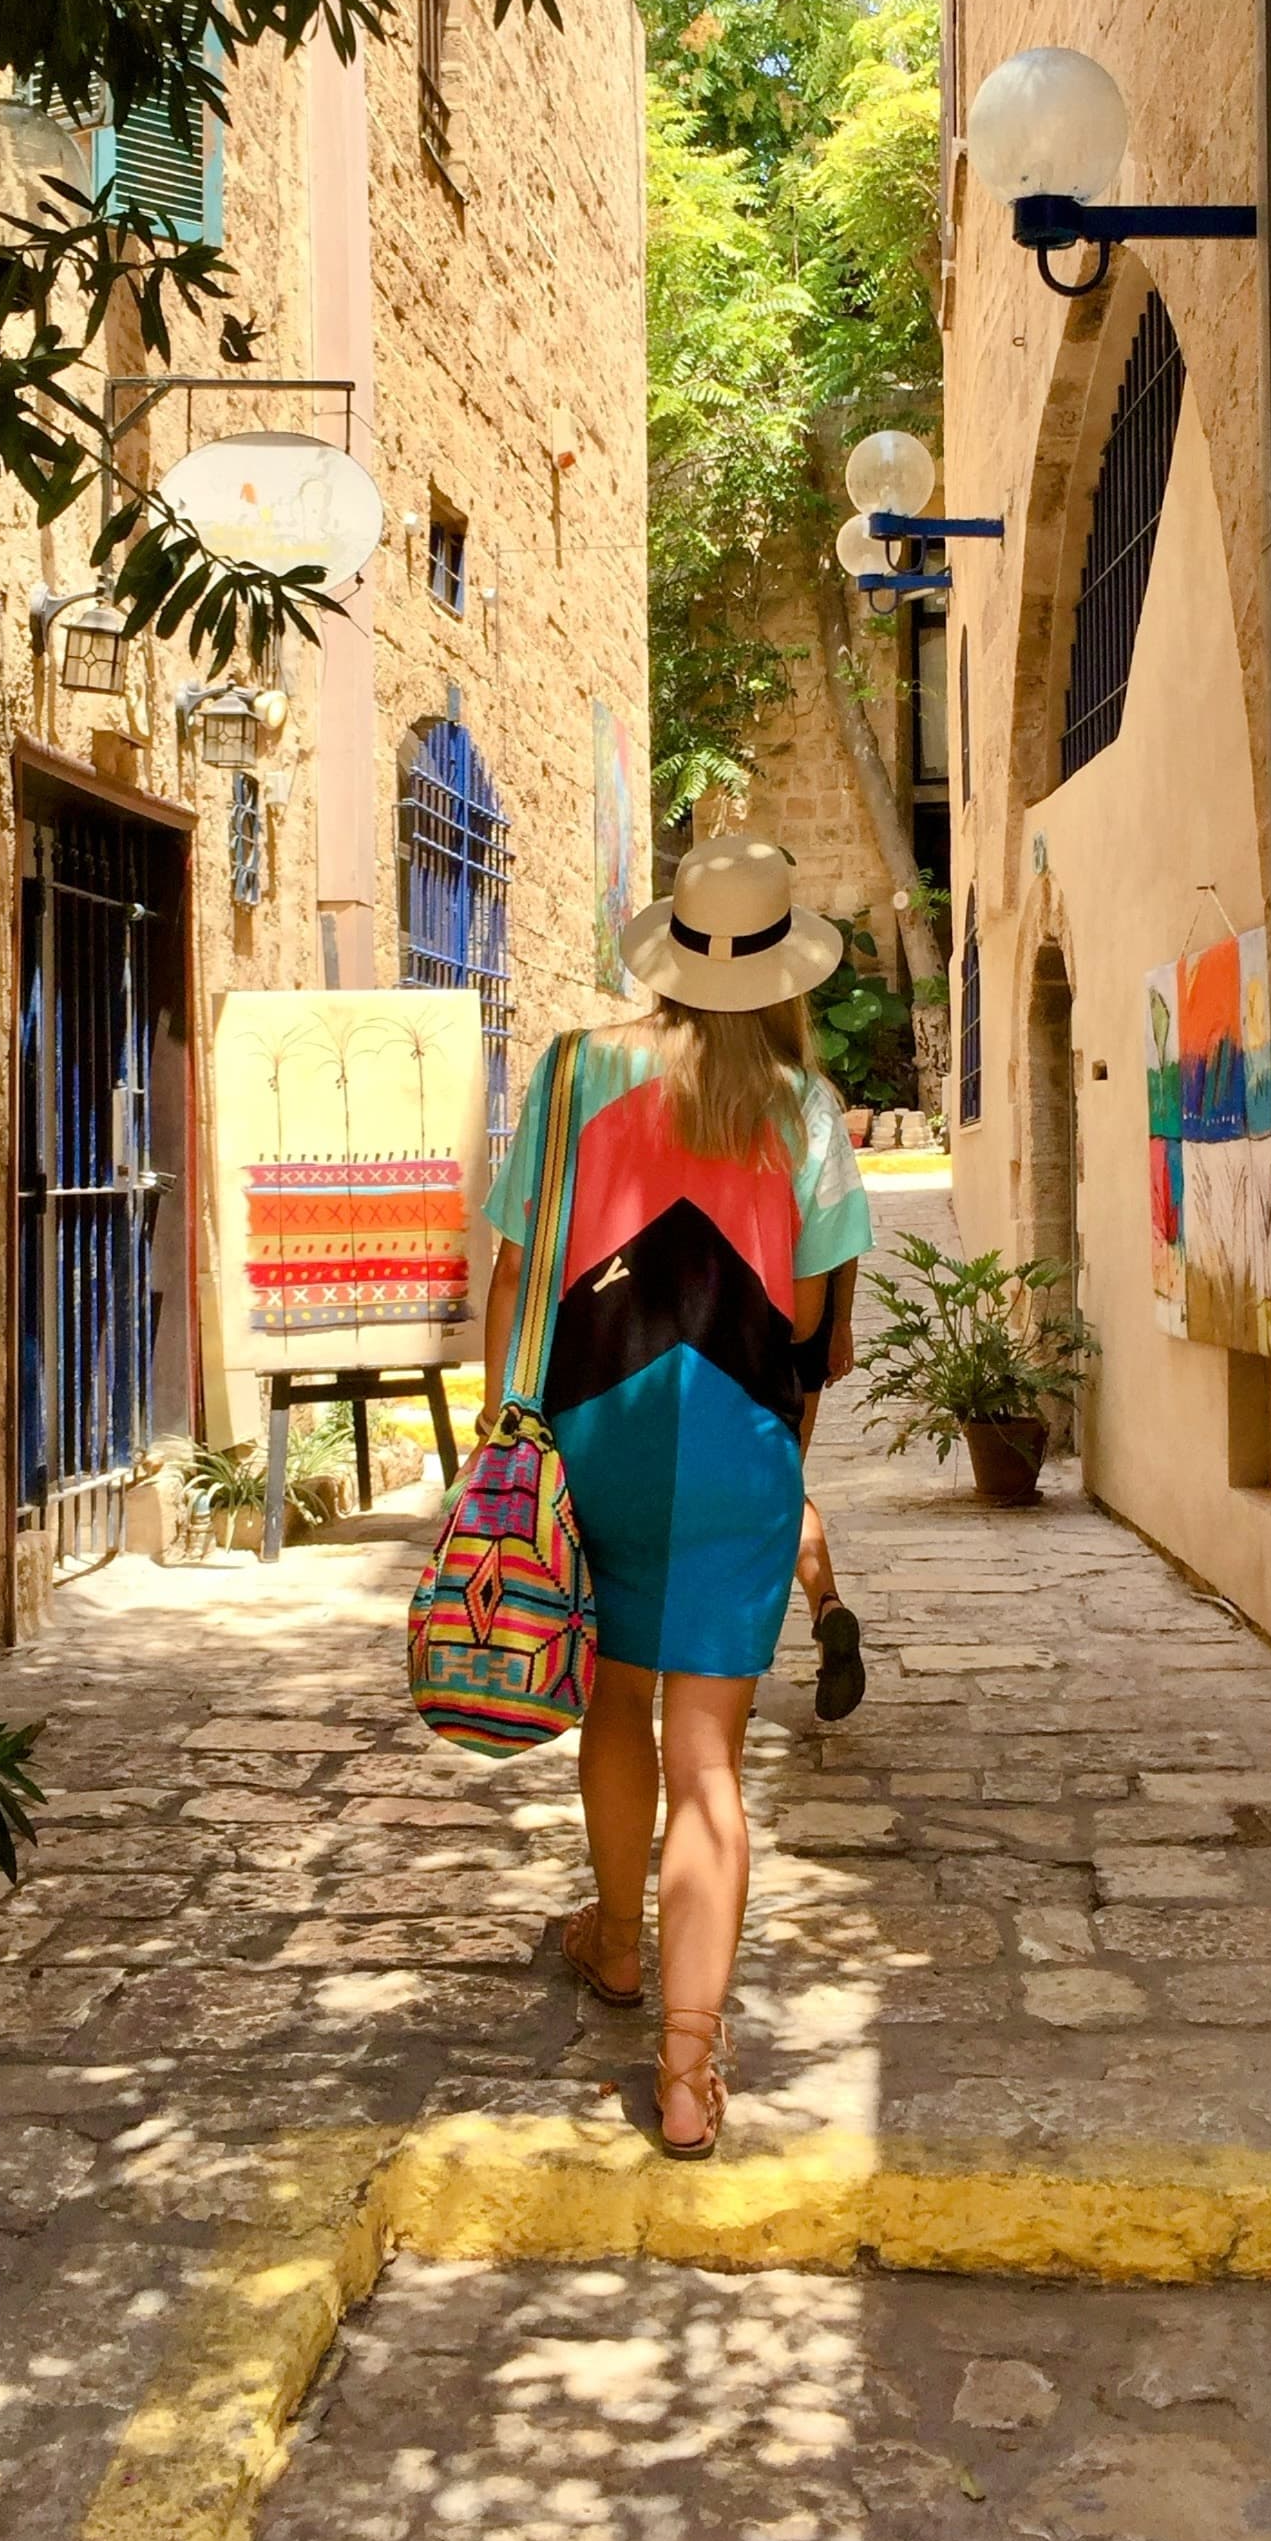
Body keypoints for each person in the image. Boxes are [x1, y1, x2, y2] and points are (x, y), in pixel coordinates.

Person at [478, 835, 872, 2158]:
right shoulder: (807, 1110)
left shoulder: (579, 1070)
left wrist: (503, 1435)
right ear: (782, 971)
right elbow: (820, 1327)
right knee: (711, 1766)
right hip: (739, 1446)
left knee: (615, 1701)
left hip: (597, 1432)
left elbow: (517, 1270)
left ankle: (616, 1946)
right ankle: (691, 2078)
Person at [791, 1261, 866, 1719]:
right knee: (782, 1482)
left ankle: (731, 1670)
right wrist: (841, 1323)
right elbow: (844, 1237)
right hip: (810, 1319)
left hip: (728, 1322)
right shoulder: (831, 1181)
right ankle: (826, 1607)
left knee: (747, 1495)